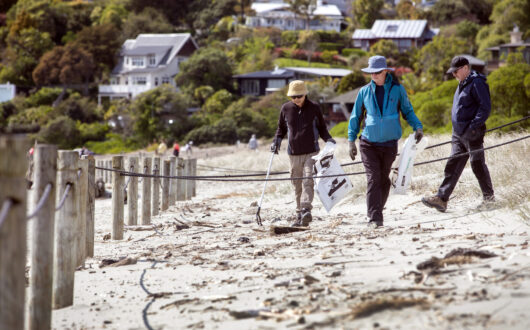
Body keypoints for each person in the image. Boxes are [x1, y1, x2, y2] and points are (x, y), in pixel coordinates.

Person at [348, 55, 423, 228]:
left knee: (383, 180)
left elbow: (408, 111)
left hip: (389, 143)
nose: (373, 75)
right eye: (371, 72)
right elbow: (355, 117)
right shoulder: (364, 91)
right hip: (368, 143)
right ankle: (375, 217)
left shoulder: (398, 89)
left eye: (376, 72)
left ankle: (376, 211)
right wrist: (351, 141)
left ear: (385, 72)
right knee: (373, 178)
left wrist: (417, 127)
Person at [422, 56, 494, 212]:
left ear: (466, 68)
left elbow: (485, 108)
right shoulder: (462, 82)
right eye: (452, 72)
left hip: (472, 132)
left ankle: (489, 200)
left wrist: (473, 127)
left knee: (477, 165)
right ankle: (441, 199)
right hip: (458, 134)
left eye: (456, 71)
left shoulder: (477, 82)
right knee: (453, 165)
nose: (454, 74)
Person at [271, 80, 336, 227]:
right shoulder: (286, 108)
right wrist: (276, 141)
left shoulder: (314, 108)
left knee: (308, 179)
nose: (296, 99)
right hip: (293, 154)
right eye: (293, 97)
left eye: (299, 96)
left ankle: (306, 209)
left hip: (311, 152)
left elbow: (322, 128)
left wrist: (329, 139)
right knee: (297, 184)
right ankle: (299, 215)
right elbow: (281, 130)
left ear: (305, 94)